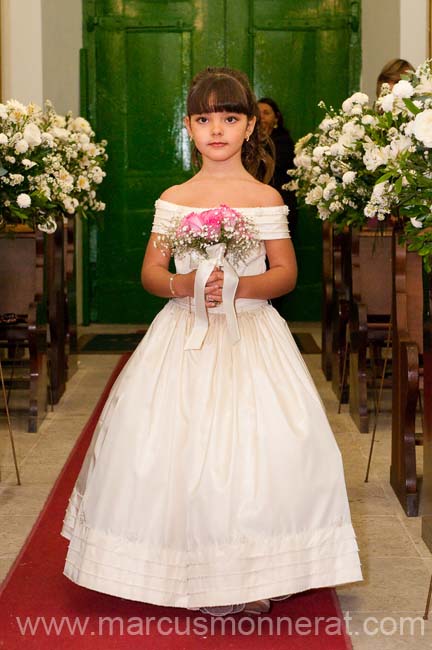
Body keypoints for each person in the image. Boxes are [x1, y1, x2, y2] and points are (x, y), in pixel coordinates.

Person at [62, 67, 362, 616]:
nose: (216, 129)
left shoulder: (265, 196)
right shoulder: (175, 197)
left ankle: (253, 569)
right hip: (184, 333)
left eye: (229, 118)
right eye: (204, 119)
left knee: (260, 447)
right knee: (176, 448)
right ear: (189, 127)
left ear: (250, 127)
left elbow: (286, 272)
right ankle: (183, 563)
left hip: (249, 330)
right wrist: (183, 283)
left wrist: (240, 286)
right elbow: (153, 271)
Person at [258, 97, 298, 238]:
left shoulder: (284, 141)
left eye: (266, 113)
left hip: (279, 203)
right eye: (258, 113)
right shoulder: (246, 141)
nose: (261, 117)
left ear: (276, 119)